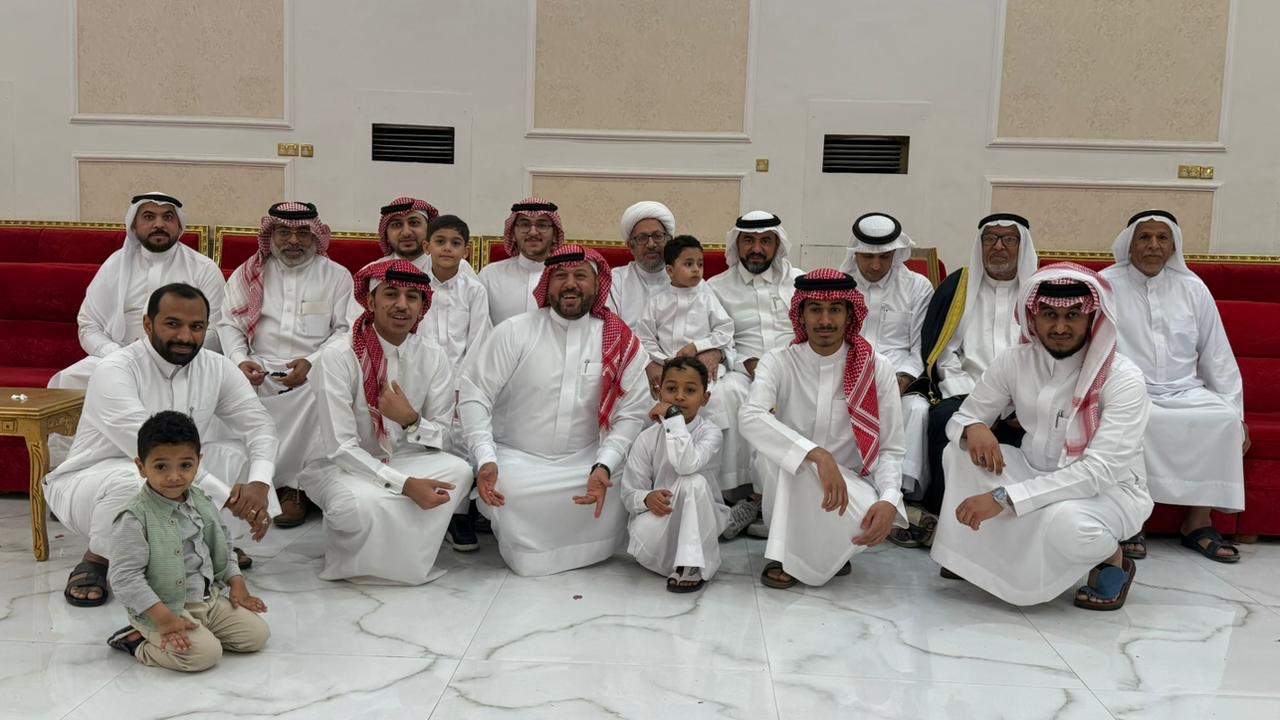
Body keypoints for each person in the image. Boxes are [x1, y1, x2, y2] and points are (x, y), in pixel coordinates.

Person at [930, 263, 1153, 609]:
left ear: (1092, 317)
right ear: (1033, 316)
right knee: (957, 454)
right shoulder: (1014, 360)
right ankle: (978, 559)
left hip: (1106, 491)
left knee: (1068, 527)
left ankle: (1111, 557)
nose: (1060, 327)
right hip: (1033, 470)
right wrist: (973, 428)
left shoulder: (1123, 378)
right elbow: (962, 418)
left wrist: (1005, 497)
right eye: (1050, 314)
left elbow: (1099, 472)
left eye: (1073, 315)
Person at [45, 283, 279, 608]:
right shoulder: (115, 369)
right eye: (173, 324)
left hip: (177, 474)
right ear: (147, 324)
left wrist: (260, 483)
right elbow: (151, 449)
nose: (185, 336)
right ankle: (98, 557)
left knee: (238, 455)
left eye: (196, 327)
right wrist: (229, 500)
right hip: (95, 481)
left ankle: (206, 543)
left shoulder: (216, 366)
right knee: (139, 481)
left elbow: (260, 426)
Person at [460, 245, 649, 576]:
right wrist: (486, 459)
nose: (570, 284)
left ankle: (595, 537)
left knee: (624, 475)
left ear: (598, 284)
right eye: (560, 276)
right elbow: (476, 394)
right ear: (547, 283)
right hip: (519, 459)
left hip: (588, 461)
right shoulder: (515, 331)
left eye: (581, 276)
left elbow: (632, 414)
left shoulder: (620, 340)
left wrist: (604, 465)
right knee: (509, 488)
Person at [299, 260, 474, 584]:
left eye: (412, 297)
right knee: (357, 504)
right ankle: (360, 566)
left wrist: (410, 420)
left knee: (460, 471)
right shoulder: (338, 356)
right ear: (370, 301)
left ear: (422, 306)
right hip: (340, 466)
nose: (402, 305)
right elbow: (340, 448)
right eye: (391, 294)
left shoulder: (432, 355)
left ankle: (407, 557)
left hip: (406, 457)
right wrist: (405, 485)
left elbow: (444, 438)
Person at [739, 269, 908, 589]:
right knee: (784, 460)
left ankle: (824, 548)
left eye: (835, 310)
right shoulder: (779, 361)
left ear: (849, 314)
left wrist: (889, 499)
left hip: (848, 488)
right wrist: (815, 454)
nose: (825, 320)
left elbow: (891, 449)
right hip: (788, 480)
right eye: (815, 309)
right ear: (801, 314)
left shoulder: (876, 367)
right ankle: (785, 555)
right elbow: (750, 416)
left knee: (864, 511)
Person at [1100, 211, 1248, 563]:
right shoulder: (1106, 285)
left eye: (1162, 238)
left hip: (1185, 391)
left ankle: (1198, 523)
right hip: (1128, 390)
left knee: (1224, 421)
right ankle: (1131, 522)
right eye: (1144, 237)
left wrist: (1236, 411)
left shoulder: (1193, 288)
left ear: (1173, 246)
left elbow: (1217, 354)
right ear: (1129, 244)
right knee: (1131, 421)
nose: (1153, 246)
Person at [218, 202, 352, 527]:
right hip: (257, 367)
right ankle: (254, 481)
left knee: (321, 391)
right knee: (227, 391)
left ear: (315, 235)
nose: (293, 241)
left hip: (313, 369)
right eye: (284, 232)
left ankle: (296, 486)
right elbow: (229, 325)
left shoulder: (336, 276)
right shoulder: (248, 273)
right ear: (271, 234)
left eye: (303, 233)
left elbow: (346, 329)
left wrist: (313, 362)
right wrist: (240, 361)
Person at [104, 411, 270, 672]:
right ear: (141, 467)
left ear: (198, 462)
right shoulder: (134, 518)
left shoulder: (202, 501)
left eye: (185, 465)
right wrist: (164, 619)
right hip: (163, 609)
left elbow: (223, 546)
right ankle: (136, 641)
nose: (174, 477)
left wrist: (237, 585)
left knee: (256, 636)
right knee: (204, 656)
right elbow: (125, 578)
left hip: (208, 601)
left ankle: (202, 629)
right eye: (161, 467)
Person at [917, 213, 1039, 517]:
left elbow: (1047, 355)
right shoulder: (959, 287)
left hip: (1027, 397)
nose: (998, 247)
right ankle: (945, 511)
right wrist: (977, 404)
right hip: (965, 392)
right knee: (941, 419)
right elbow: (944, 354)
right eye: (990, 239)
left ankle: (1027, 510)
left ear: (1022, 245)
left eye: (1009, 239)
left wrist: (1018, 403)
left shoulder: (1040, 292)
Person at [49, 191, 226, 390]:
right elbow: (89, 324)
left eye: (168, 217)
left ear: (179, 226)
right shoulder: (115, 265)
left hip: (183, 362)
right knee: (69, 380)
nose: (159, 224)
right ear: (134, 225)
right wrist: (114, 353)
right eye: (149, 217)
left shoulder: (203, 269)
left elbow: (216, 332)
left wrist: (169, 356)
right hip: (121, 357)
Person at [708, 211, 804, 539]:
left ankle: (769, 500)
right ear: (737, 244)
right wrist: (745, 362)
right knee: (726, 394)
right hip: (741, 368)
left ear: (778, 244)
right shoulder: (716, 287)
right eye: (749, 240)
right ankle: (739, 494)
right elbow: (717, 338)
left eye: (766, 241)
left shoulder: (799, 282)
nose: (757, 249)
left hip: (795, 366)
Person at [838, 213, 934, 523]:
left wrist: (902, 378)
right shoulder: (841, 285)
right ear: (855, 253)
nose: (876, 265)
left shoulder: (917, 286)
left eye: (884, 257)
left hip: (899, 376)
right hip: (847, 373)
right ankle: (853, 486)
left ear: (896, 253)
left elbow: (919, 348)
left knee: (917, 410)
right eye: (868, 257)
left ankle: (899, 496)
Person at [621, 357, 729, 593]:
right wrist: (646, 498)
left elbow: (686, 465)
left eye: (690, 390)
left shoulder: (711, 433)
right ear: (659, 392)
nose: (679, 397)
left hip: (703, 524)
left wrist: (672, 417)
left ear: (705, 398)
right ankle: (680, 561)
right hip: (660, 527)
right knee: (686, 484)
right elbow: (629, 493)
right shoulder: (647, 437)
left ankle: (691, 564)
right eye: (671, 389)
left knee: (693, 481)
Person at [636, 234, 735, 411]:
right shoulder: (657, 302)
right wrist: (665, 361)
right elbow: (645, 338)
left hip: (701, 370)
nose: (696, 269)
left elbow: (725, 330)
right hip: (666, 370)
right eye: (689, 264)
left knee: (716, 398)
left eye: (700, 264)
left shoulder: (706, 299)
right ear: (670, 270)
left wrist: (697, 346)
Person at [477, 197, 564, 326]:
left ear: (555, 235)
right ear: (512, 233)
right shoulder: (490, 276)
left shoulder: (568, 277)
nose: (533, 232)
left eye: (542, 225)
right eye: (524, 225)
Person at [420, 214, 491, 372]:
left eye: (455, 243)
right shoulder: (415, 289)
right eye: (440, 242)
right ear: (426, 247)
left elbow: (477, 343)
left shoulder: (475, 291)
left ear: (466, 252)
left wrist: (461, 382)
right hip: (421, 374)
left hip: (460, 378)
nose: (447, 248)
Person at [608, 201, 677, 326]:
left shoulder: (688, 278)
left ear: (669, 241)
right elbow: (610, 327)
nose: (651, 244)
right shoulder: (615, 280)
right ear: (631, 246)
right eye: (642, 238)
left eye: (657, 236)